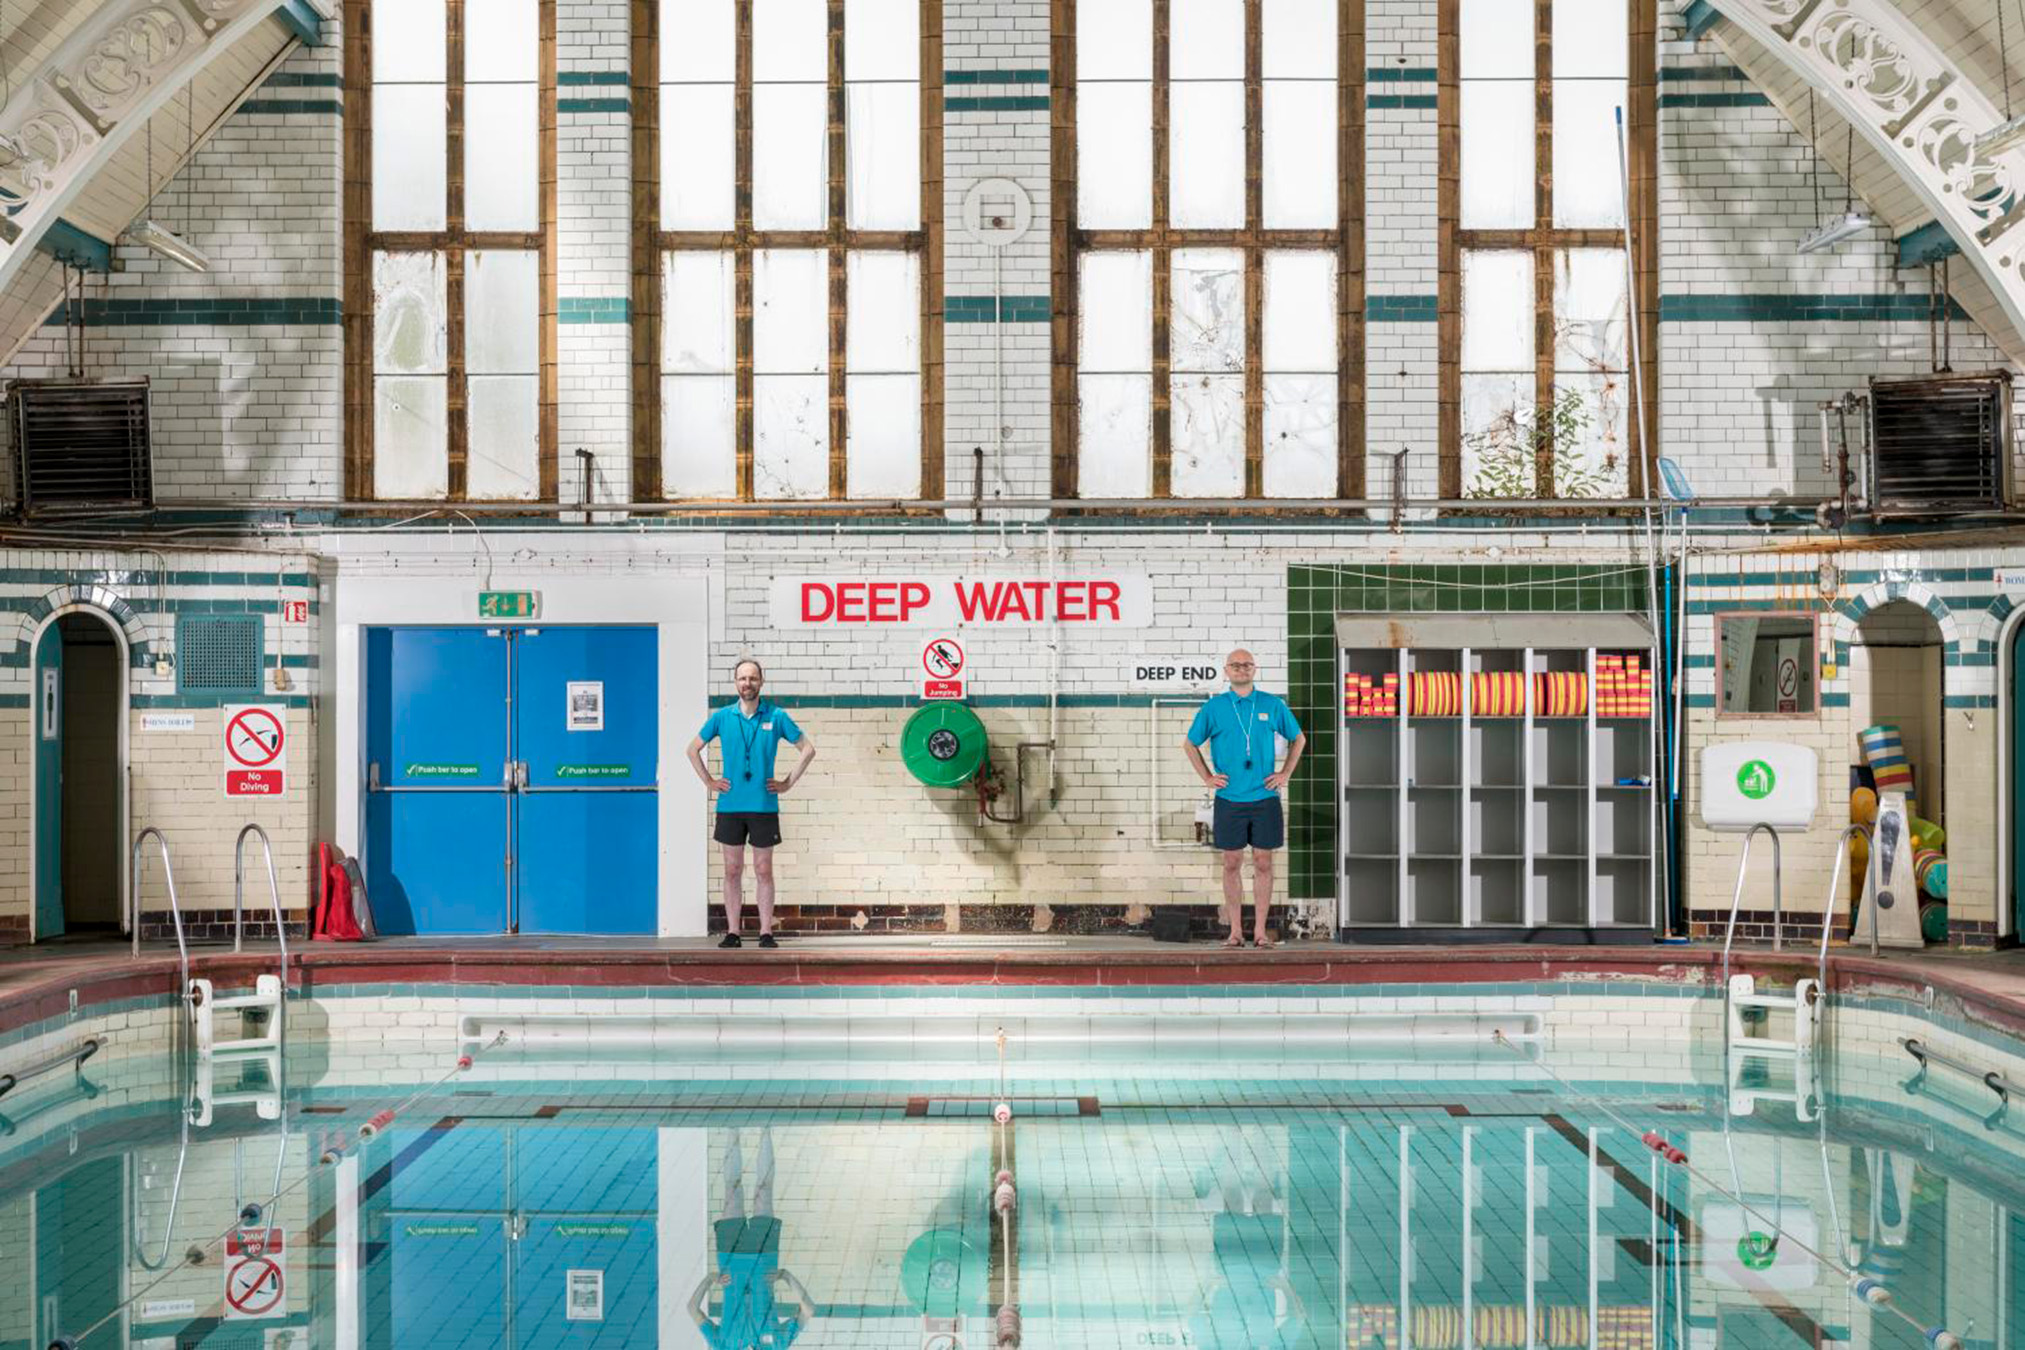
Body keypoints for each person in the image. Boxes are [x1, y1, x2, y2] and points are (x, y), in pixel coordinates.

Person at [687, 658, 816, 948]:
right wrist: (709, 781)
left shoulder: (777, 716)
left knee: (763, 870)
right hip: (730, 807)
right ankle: (733, 932)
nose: (747, 683)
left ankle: (765, 932)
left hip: (763, 806)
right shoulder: (722, 716)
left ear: (761, 682)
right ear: (735, 682)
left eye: (753, 678)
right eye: (742, 678)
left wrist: (787, 783)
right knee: (732, 870)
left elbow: (808, 749)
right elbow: (692, 749)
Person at [1183, 649, 1306, 948]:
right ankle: (1236, 931)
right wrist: (1207, 778)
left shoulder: (1271, 704)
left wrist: (1284, 774)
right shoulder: (1215, 707)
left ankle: (1261, 932)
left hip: (1264, 798)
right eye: (1235, 665)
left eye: (1246, 665)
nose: (1241, 669)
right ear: (1226, 670)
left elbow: (1298, 739)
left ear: (1254, 669)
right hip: (1229, 799)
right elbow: (1189, 744)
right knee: (1231, 862)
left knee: (1264, 862)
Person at [689, 1127, 813, 1348]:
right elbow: (809, 1309)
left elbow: (692, 1309)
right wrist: (785, 1275)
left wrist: (709, 1279)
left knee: (732, 1191)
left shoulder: (723, 1346)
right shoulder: (777, 1345)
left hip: (730, 1257)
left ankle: (732, 1127)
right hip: (764, 1258)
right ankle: (766, 1128)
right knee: (764, 1191)